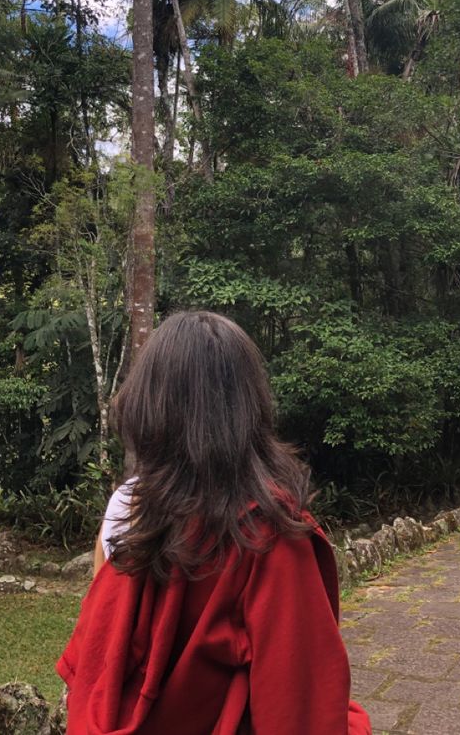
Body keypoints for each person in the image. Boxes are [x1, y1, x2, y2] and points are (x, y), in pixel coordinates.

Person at [57, 310, 371, 735]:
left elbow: (102, 656)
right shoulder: (268, 533)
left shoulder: (125, 507)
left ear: (149, 406)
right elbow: (300, 704)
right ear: (249, 408)